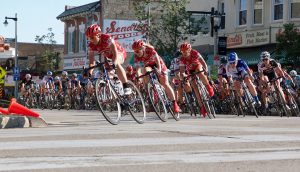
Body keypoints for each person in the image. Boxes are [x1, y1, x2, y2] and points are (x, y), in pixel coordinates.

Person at [132, 39, 181, 113]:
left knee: (165, 84)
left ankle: (175, 104)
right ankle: (150, 89)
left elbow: (158, 61)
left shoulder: (150, 50)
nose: (136, 53)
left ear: (143, 48)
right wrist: (139, 77)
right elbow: (138, 68)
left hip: (159, 65)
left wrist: (159, 70)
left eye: (138, 51)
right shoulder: (136, 56)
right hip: (149, 66)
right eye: (135, 51)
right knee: (144, 71)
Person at [85, 24, 131, 95]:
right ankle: (115, 95)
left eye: (92, 37)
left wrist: (114, 64)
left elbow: (115, 53)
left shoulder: (107, 38)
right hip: (109, 58)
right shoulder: (91, 45)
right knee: (105, 74)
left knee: (116, 64)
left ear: (98, 35)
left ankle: (126, 86)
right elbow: (91, 62)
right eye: (89, 38)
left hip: (119, 53)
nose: (90, 40)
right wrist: (90, 73)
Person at [178, 42, 214, 116]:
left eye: (185, 51)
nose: (184, 53)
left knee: (200, 73)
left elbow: (203, 62)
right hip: (190, 70)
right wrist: (184, 76)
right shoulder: (182, 59)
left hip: (197, 66)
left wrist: (206, 69)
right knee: (195, 87)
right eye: (182, 51)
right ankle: (202, 107)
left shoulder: (195, 53)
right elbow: (182, 71)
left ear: (189, 49)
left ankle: (208, 87)